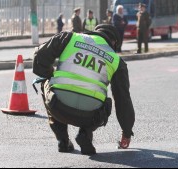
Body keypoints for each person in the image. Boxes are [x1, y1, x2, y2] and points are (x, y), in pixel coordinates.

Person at [32, 24, 135, 155]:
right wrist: (126, 132)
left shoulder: (70, 38)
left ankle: (62, 141)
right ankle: (85, 134)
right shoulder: (116, 61)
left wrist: (49, 74)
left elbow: (39, 56)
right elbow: (123, 101)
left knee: (45, 81)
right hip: (90, 116)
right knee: (106, 101)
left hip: (58, 107)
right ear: (114, 42)